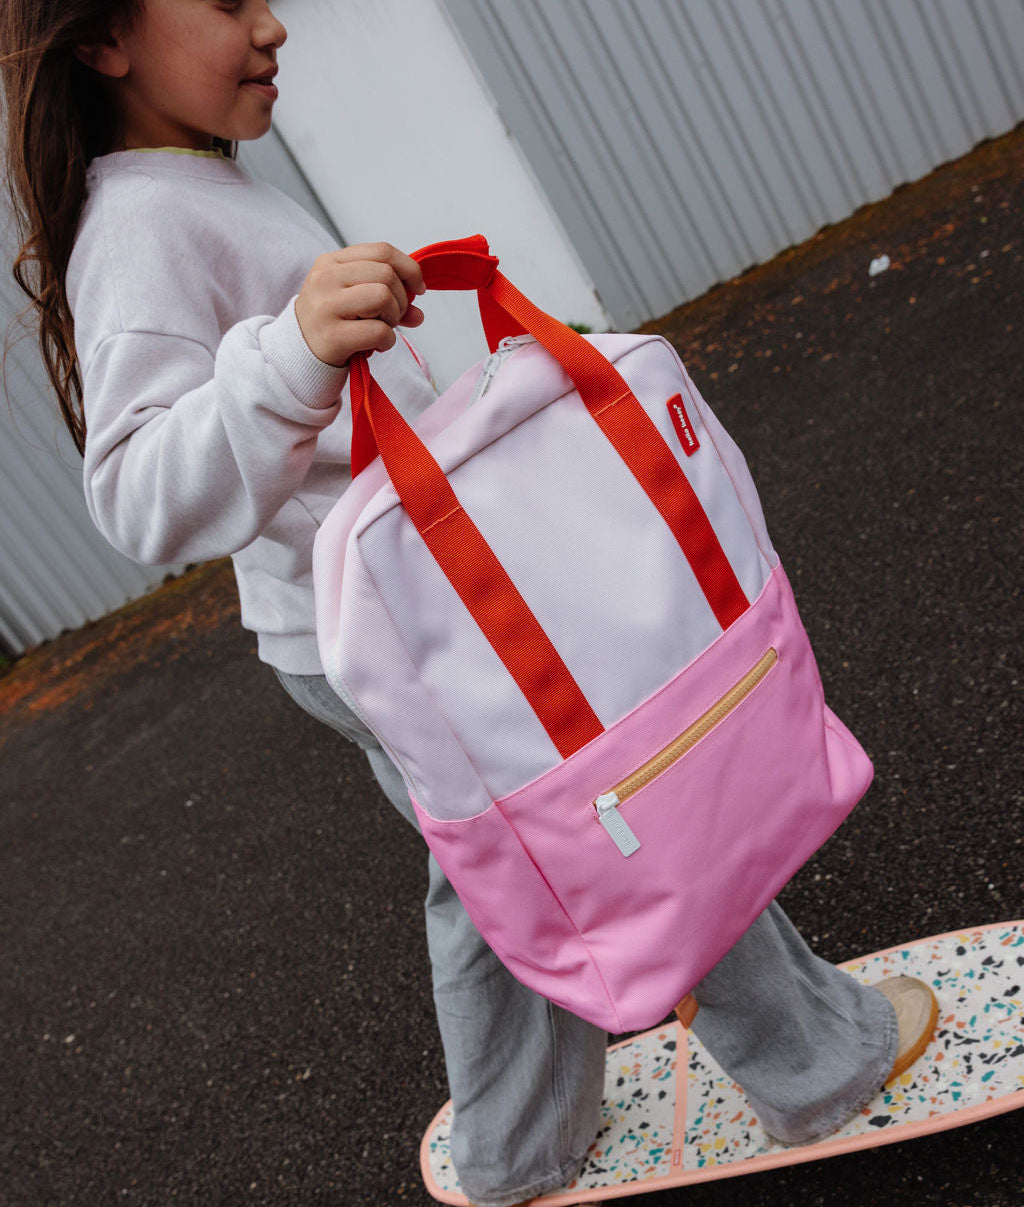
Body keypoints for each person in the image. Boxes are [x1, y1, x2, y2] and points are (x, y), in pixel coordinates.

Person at [1, 4, 939, 1204]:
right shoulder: (140, 226)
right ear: (102, 43)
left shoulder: (194, 181)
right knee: (619, 812)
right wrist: (291, 353)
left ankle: (519, 1144)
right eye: (227, 1)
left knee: (515, 862)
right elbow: (139, 495)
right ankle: (820, 1064)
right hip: (387, 638)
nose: (271, 24)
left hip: (393, 627)